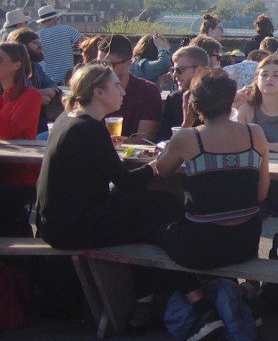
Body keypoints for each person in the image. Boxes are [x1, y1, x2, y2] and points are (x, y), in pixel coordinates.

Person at [35, 64, 182, 326]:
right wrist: (156, 166)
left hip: (52, 224)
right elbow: (127, 182)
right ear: (98, 93)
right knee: (164, 207)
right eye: (115, 85)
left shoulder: (66, 120)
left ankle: (148, 299)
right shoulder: (90, 129)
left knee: (151, 210)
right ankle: (162, 293)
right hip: (76, 229)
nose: (122, 91)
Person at [151, 69, 269, 341]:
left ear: (195, 102)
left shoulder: (189, 138)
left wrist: (186, 122)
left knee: (155, 229)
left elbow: (163, 169)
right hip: (245, 242)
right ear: (231, 100)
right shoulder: (256, 134)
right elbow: (261, 194)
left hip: (201, 247)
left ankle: (200, 305)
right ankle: (238, 298)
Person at [97, 35, 162, 141]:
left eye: (109, 64)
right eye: (98, 63)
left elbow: (143, 140)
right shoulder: (94, 91)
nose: (102, 69)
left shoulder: (148, 91)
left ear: (128, 63)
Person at [7, 28, 62, 128]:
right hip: (17, 124)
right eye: (35, 42)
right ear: (22, 46)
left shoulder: (36, 66)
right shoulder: (13, 69)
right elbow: (16, 93)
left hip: (37, 123)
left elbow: (52, 85)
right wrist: (39, 95)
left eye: (39, 41)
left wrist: (41, 94)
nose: (40, 45)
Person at [155, 46, 210, 141]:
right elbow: (161, 139)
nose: (174, 75)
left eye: (180, 69)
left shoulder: (216, 99)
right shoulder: (174, 99)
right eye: (173, 70)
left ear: (199, 70)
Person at [0, 43, 43, 140]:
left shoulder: (31, 96)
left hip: (21, 154)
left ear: (16, 65)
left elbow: (8, 132)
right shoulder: (3, 95)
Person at [36, 4, 83, 85]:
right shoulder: (67, 30)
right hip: (68, 78)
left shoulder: (37, 36)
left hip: (48, 80)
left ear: (42, 21)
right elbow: (85, 43)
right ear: (54, 18)